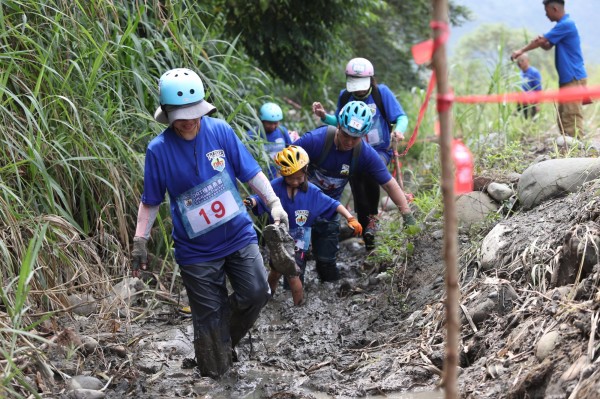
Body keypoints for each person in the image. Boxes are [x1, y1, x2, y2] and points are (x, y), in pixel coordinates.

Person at [130, 68, 289, 379]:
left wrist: (274, 202)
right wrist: (140, 240)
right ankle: (214, 351)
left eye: (193, 113)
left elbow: (251, 173)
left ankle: (219, 338)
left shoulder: (220, 131)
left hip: (237, 235)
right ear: (168, 114)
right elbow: (150, 200)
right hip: (195, 250)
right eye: (180, 115)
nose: (189, 121)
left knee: (257, 292)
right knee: (213, 363)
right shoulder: (158, 151)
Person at [296, 101, 416, 282]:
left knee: (327, 263)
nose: (349, 142)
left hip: (329, 209)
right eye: (346, 135)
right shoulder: (314, 140)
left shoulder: (365, 153)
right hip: (300, 204)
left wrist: (407, 215)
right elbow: (285, 164)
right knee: (297, 262)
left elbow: (389, 184)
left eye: (356, 138)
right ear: (338, 126)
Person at [245, 145, 363, 305]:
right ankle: (266, 301)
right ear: (282, 174)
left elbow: (333, 204)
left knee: (294, 276)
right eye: (290, 178)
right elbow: (261, 197)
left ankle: (298, 307)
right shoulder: (275, 186)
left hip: (299, 242)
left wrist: (350, 218)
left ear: (306, 171)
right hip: (278, 239)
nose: (294, 182)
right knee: (274, 271)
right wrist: (251, 201)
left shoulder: (313, 192)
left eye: (299, 178)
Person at [312, 57, 409, 250]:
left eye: (362, 85)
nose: (359, 90)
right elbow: (341, 122)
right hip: (353, 149)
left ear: (371, 80)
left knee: (371, 172)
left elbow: (401, 117)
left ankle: (372, 217)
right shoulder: (345, 96)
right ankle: (367, 226)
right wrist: (325, 116)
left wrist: (399, 130)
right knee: (354, 177)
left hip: (380, 149)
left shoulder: (382, 93)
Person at [511, 0, 587, 136]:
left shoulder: (566, 24)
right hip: (567, 78)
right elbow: (546, 45)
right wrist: (542, 41)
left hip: (573, 77)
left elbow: (542, 42)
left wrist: (520, 51)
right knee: (563, 115)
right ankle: (568, 146)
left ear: (554, 9)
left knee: (571, 114)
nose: (546, 15)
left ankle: (578, 148)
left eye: (547, 12)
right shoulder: (562, 26)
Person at [247, 102, 299, 179]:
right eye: (269, 123)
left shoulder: (282, 131)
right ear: (262, 121)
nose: (273, 126)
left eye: (276, 123)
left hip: (282, 176)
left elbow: (291, 151)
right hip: (261, 177)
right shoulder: (252, 135)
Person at [516, 54, 543, 119]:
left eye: (522, 60)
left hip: (532, 102)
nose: (520, 63)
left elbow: (538, 89)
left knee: (532, 120)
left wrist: (537, 104)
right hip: (522, 102)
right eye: (518, 61)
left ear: (528, 61)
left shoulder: (534, 72)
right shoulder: (520, 73)